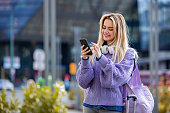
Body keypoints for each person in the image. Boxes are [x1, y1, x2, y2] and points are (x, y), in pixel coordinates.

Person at [76, 13, 138, 113]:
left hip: (112, 108)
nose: (105, 31)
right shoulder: (94, 51)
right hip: (89, 106)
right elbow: (83, 83)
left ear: (119, 31)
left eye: (110, 29)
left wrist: (101, 58)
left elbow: (115, 79)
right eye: (104, 27)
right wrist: (85, 59)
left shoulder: (128, 54)